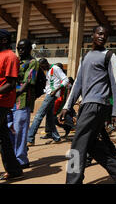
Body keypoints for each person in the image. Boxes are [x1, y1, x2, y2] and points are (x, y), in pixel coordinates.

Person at [61, 26, 116, 184]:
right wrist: (67, 106)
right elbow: (78, 84)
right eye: (99, 33)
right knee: (90, 144)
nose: (102, 37)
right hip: (86, 105)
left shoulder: (109, 55)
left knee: (76, 145)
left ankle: (72, 181)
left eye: (105, 35)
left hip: (97, 105)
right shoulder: (86, 56)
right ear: (92, 35)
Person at [8, 39, 39, 169]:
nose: (21, 51)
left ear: (29, 49)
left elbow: (27, 82)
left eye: (24, 48)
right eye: (19, 48)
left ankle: (21, 160)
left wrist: (13, 90)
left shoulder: (33, 63)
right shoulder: (15, 60)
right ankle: (17, 155)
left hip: (23, 101)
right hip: (9, 100)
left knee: (20, 131)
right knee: (10, 129)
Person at [27, 58, 69, 145]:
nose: (42, 69)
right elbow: (49, 85)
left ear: (46, 63)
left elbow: (66, 80)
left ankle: (30, 139)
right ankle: (56, 138)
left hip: (52, 95)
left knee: (39, 115)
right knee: (49, 118)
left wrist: (56, 90)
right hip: (49, 94)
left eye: (42, 67)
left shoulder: (56, 68)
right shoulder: (48, 71)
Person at [0, 29, 23, 180]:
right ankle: (14, 169)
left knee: (3, 137)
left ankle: (14, 169)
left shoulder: (10, 56)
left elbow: (11, 83)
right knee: (3, 137)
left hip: (2, 102)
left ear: (4, 40)